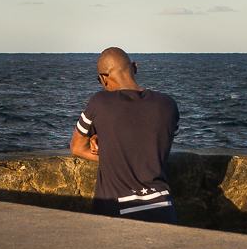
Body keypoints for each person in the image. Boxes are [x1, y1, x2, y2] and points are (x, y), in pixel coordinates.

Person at [68, 47, 180, 221]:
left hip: (117, 210)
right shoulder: (168, 105)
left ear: (103, 79)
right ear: (134, 67)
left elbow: (76, 147)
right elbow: (149, 144)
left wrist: (105, 147)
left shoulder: (100, 103)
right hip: (163, 209)